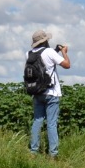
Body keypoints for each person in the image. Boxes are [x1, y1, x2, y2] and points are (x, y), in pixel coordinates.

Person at [26, 29, 70, 158]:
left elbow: (43, 62)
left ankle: (33, 152)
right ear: (45, 41)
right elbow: (67, 65)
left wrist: (54, 51)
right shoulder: (50, 52)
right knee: (51, 124)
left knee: (37, 121)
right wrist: (63, 52)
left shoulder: (28, 54)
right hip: (52, 93)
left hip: (37, 92)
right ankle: (53, 154)